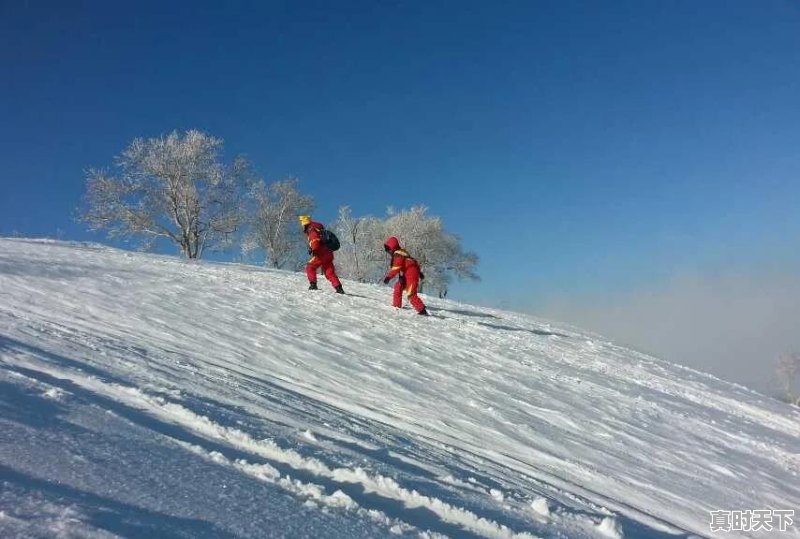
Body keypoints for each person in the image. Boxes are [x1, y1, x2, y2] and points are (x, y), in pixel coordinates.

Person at [382, 236, 428, 316]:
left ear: (392, 248)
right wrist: (419, 273)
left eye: (388, 250)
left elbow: (397, 267)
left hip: (410, 275)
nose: (388, 253)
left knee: (411, 293)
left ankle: (422, 310)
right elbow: (413, 262)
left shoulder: (398, 255)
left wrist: (388, 277)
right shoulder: (404, 253)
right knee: (398, 286)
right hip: (407, 274)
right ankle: (397, 305)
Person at [299, 215, 344, 294]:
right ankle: (339, 288)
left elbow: (315, 240)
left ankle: (313, 285)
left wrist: (313, 249)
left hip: (320, 253)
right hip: (329, 253)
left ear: (305, 224)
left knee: (310, 267)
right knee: (329, 272)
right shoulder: (319, 228)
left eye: (302, 224)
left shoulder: (311, 229)